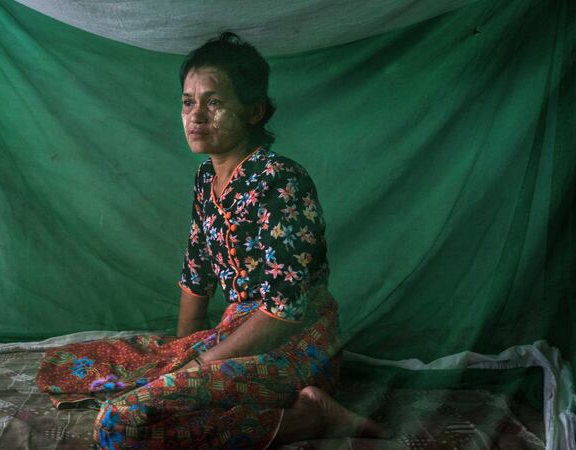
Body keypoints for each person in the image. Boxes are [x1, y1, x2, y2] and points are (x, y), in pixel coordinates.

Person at [37, 32, 381, 449]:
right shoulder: (207, 178)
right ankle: (236, 398)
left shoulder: (281, 180)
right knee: (83, 364)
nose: (196, 115)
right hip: (235, 333)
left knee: (121, 425)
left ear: (254, 111)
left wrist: (196, 366)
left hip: (294, 347)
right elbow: (197, 272)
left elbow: (283, 311)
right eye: (187, 101)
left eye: (214, 102)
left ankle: (311, 418)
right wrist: (183, 352)